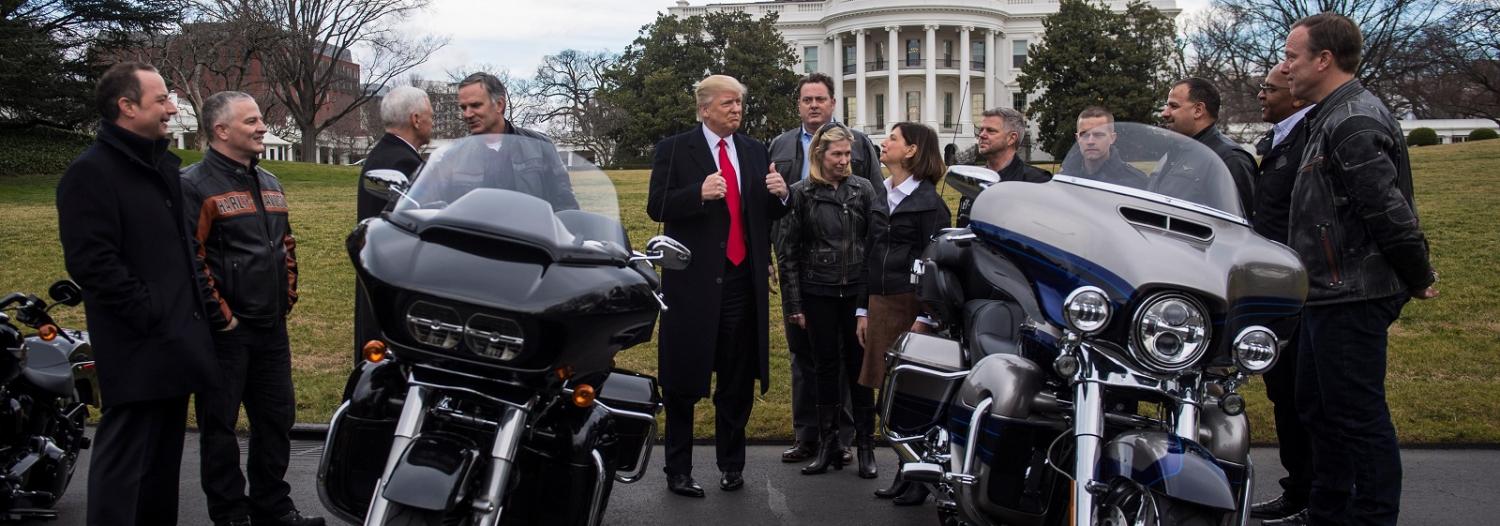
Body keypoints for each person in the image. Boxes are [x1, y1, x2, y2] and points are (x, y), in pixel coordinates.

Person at [1280, 12, 1439, 526]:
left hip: (1353, 292)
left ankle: (1371, 517)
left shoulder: (1352, 121)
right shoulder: (1327, 115)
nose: (1285, 68)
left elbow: (1389, 211)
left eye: (1292, 56)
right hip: (1326, 292)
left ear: (1323, 59)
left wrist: (1418, 276)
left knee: (1356, 417)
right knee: (1319, 411)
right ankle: (1327, 511)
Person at [57, 61, 217, 526]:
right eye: (161, 99)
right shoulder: (91, 174)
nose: (171, 108)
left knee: (161, 467)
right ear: (127, 107)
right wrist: (150, 312)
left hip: (175, 340)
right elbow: (93, 263)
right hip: (137, 343)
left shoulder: (161, 169)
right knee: (125, 464)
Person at [181, 91, 322, 526]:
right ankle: (230, 515)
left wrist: (288, 297)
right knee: (220, 429)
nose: (262, 127)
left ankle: (273, 507)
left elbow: (287, 245)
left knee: (277, 420)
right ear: (221, 130)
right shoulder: (193, 185)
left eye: (260, 120)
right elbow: (191, 259)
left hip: (271, 328)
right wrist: (222, 316)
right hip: (225, 335)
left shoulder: (271, 183)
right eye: (251, 121)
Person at [647, 74, 790, 498]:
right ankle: (678, 470)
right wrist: (698, 192)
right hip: (691, 284)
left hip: (741, 284)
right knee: (683, 380)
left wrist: (781, 196)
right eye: (727, 103)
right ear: (704, 108)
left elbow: (761, 212)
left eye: (739, 103)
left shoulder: (752, 149)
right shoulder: (674, 149)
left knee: (736, 378)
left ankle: (731, 465)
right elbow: (657, 206)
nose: (736, 110)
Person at [767, 72, 883, 464]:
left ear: (833, 104)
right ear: (798, 105)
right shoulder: (781, 145)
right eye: (806, 99)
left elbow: (876, 208)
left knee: (851, 356)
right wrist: (769, 254)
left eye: (820, 99)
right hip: (802, 267)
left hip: (850, 273)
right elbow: (768, 208)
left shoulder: (860, 146)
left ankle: (844, 439)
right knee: (807, 353)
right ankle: (808, 436)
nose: (813, 105)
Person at [861, 121, 952, 505]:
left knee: (912, 394)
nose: (884, 142)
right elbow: (870, 253)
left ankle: (916, 475)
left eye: (893, 139)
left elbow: (936, 265)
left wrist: (928, 318)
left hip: (912, 307)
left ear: (912, 150)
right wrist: (861, 309)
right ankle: (903, 470)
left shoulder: (931, 205)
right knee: (889, 392)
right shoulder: (880, 193)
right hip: (881, 302)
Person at [1249, 66, 1317, 526]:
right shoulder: (1275, 141)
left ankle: (1319, 498)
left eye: (1270, 88)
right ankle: (1298, 491)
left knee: (1308, 399)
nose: (1260, 94)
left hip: (1303, 290)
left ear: (1294, 96)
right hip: (1274, 289)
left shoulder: (1309, 139)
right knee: (1285, 397)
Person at [354, 85, 433, 362]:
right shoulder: (400, 162)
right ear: (416, 119)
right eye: (430, 116)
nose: (431, 122)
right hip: (396, 277)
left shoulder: (385, 153)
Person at [455, 72, 578, 211]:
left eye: (475, 105)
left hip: (531, 232)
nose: (467, 114)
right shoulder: (453, 156)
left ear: (499, 105)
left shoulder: (540, 146)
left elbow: (566, 205)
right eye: (463, 108)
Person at [1158, 77, 1258, 216]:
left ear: (1198, 110)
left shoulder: (1229, 159)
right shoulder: (1176, 151)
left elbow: (1235, 225)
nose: (1164, 113)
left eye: (1173, 106)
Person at [957, 107, 1053, 226]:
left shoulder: (1037, 182)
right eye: (981, 130)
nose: (982, 135)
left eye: (990, 130)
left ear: (1011, 138)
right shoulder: (974, 181)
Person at [1061, 106, 1148, 188]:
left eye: (1098, 135)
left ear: (1112, 138)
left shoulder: (1135, 182)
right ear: (1077, 138)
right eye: (1084, 135)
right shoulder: (1063, 179)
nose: (1090, 141)